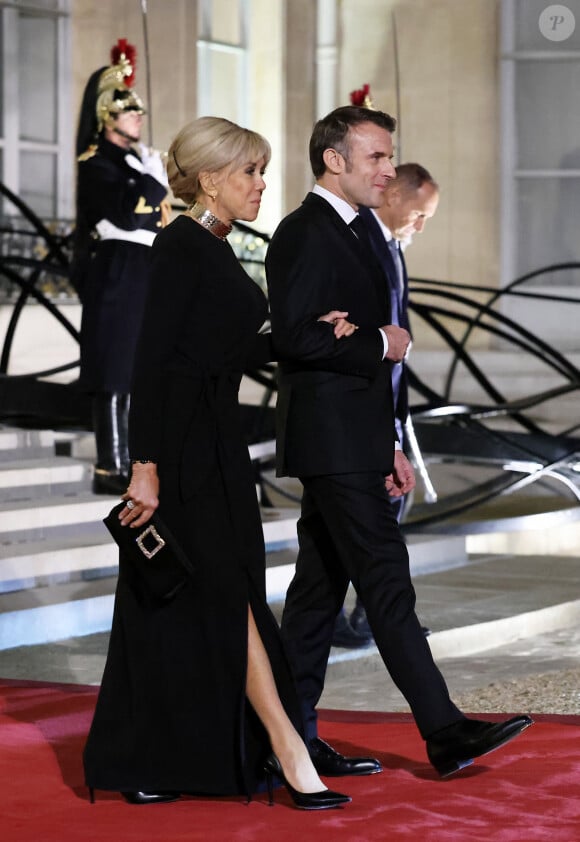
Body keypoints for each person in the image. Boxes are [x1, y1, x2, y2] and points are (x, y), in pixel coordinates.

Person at [83, 115, 352, 810]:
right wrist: (143, 463)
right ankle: (287, 747)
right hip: (178, 446)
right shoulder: (177, 246)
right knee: (214, 593)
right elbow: (151, 362)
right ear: (210, 179)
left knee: (184, 600)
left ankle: (160, 756)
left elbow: (219, 350)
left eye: (262, 171)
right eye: (249, 173)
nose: (262, 184)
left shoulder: (214, 245)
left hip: (217, 440)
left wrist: (307, 336)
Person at [265, 105, 532, 779]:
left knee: (317, 598)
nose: (389, 169)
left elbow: (343, 337)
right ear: (334, 158)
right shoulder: (304, 232)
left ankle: (286, 741)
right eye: (377, 156)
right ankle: (443, 730)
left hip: (356, 438)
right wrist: (378, 342)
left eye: (388, 157)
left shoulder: (357, 233)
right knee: (386, 582)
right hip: (328, 440)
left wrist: (387, 439)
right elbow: (295, 338)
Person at [334, 162, 440, 647]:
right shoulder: (360, 241)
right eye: (419, 214)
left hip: (388, 401)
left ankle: (361, 616)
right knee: (369, 527)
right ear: (396, 198)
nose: (420, 226)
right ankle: (377, 617)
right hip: (358, 405)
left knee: (369, 524)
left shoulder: (392, 245)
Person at [73, 40, 169, 495]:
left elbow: (158, 215)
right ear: (108, 118)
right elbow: (130, 215)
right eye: (130, 112)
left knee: (136, 372)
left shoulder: (135, 162)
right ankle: (109, 466)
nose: (139, 119)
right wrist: (152, 180)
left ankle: (136, 462)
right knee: (114, 371)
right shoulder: (97, 164)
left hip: (145, 267)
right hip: (117, 269)